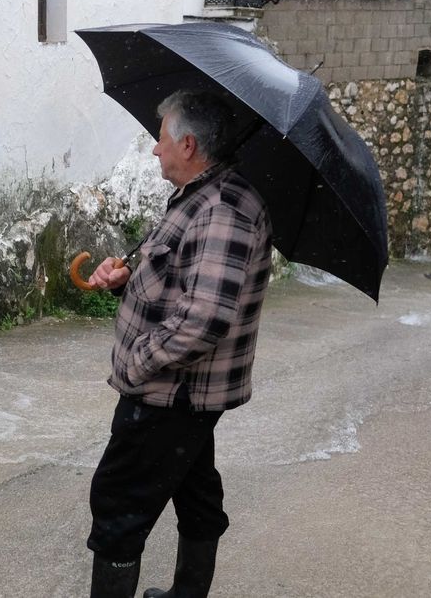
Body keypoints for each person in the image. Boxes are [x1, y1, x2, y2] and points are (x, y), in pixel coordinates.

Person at [84, 90, 273, 598]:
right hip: (186, 393)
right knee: (195, 490)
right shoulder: (200, 196)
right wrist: (124, 279)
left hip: (171, 394)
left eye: (161, 136)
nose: (154, 149)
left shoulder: (224, 211)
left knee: (120, 504)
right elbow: (175, 281)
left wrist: (137, 366)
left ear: (187, 144)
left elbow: (204, 319)